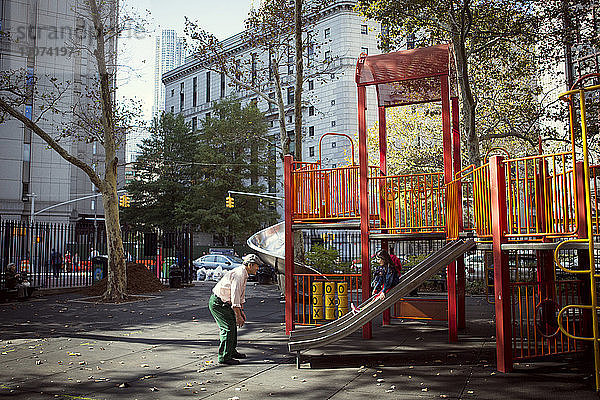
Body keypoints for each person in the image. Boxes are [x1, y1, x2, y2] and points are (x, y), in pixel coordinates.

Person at [208, 253, 261, 365]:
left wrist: (240, 312)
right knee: (228, 328)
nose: (258, 268)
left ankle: (231, 351)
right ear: (250, 265)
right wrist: (238, 315)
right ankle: (224, 357)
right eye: (257, 266)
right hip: (219, 303)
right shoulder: (239, 274)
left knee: (232, 326)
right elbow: (235, 296)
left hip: (224, 302)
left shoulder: (244, 273)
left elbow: (240, 295)